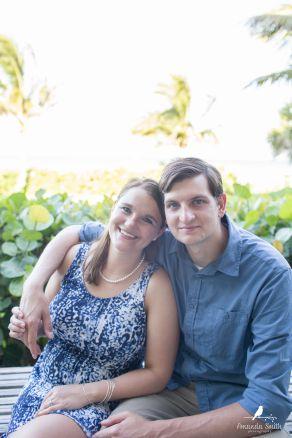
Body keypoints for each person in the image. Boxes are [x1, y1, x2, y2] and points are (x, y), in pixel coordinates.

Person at [10, 158, 291, 437]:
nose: (186, 217)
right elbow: (78, 233)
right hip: (175, 393)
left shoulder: (270, 274)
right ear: (165, 220)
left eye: (198, 202)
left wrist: (156, 432)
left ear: (220, 204)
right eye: (173, 206)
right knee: (112, 432)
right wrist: (33, 287)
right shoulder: (161, 242)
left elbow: (270, 409)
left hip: (241, 407)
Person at [6, 178, 179, 438]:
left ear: (158, 232)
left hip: (96, 402)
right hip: (41, 388)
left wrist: (86, 393)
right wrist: (27, 327)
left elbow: (157, 373)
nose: (131, 222)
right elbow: (47, 329)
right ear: (113, 208)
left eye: (147, 220)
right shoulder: (73, 257)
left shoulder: (156, 284)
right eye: (126, 209)